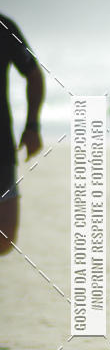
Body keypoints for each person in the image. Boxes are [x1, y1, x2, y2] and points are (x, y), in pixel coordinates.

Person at [0, 14, 44, 255]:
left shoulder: (4, 27)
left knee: (6, 237)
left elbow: (33, 74)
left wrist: (32, 126)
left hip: (1, 145)